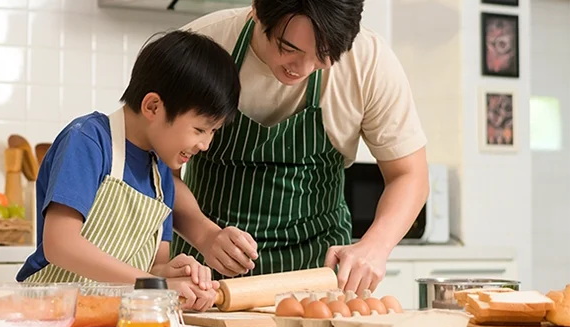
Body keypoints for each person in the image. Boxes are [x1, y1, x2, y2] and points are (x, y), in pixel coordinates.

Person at [170, 0, 430, 295]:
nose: (302, 68)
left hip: (318, 274)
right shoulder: (206, 44)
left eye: (323, 55)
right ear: (257, 10)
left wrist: (375, 245)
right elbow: (160, 168)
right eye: (288, 48)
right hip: (206, 274)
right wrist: (205, 235)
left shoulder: (367, 61)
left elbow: (410, 175)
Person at [16, 30, 241, 311]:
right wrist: (155, 285)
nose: (205, 144)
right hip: (48, 316)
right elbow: (60, 244)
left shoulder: (162, 176)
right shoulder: (88, 141)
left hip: (111, 322)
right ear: (153, 106)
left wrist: (170, 276)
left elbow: (153, 265)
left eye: (213, 132)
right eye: (200, 129)